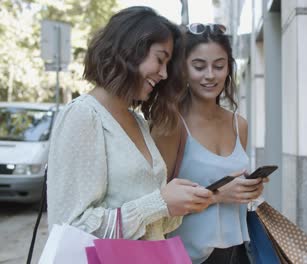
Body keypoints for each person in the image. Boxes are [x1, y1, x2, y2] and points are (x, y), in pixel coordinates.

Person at [46, 7, 214, 241]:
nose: (164, 74)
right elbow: (71, 227)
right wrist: (160, 202)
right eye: (159, 59)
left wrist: (181, 204)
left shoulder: (138, 122)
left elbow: (150, 225)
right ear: (129, 50)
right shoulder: (84, 115)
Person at [149, 23, 266, 264]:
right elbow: (156, 203)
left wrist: (248, 188)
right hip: (187, 256)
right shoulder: (170, 125)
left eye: (219, 66)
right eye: (199, 66)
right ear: (183, 69)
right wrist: (218, 195)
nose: (210, 75)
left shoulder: (238, 124)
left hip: (239, 252)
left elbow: (234, 189)